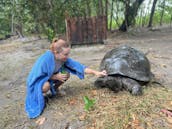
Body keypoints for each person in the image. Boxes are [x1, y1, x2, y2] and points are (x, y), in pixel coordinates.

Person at [25, 37, 107, 118]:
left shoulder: (63, 59)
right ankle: (40, 95)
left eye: (68, 54)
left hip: (50, 78)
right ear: (56, 52)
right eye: (65, 54)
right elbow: (38, 76)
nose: (67, 56)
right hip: (37, 82)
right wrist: (55, 76)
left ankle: (55, 89)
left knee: (66, 74)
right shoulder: (46, 59)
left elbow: (79, 67)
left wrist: (96, 72)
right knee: (46, 86)